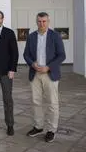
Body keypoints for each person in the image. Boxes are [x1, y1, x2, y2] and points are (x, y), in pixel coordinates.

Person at [23, 12, 65, 143]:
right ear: (36, 22)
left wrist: (48, 67)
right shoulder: (31, 37)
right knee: (36, 102)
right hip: (35, 73)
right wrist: (32, 63)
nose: (42, 24)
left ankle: (52, 129)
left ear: (48, 22)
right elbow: (26, 54)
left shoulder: (55, 36)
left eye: (44, 21)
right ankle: (38, 126)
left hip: (49, 74)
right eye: (39, 21)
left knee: (52, 103)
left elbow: (62, 55)